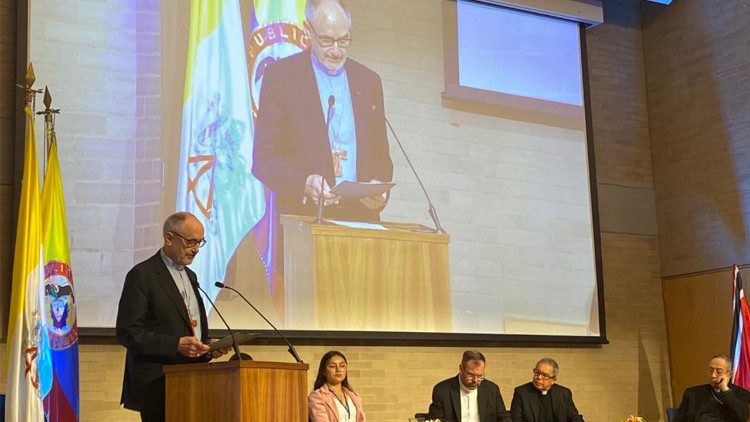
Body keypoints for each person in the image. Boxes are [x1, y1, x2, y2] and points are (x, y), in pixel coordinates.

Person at [253, 0, 393, 222]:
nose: (337, 51)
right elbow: (264, 159)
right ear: (308, 30)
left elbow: (382, 160)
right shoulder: (281, 78)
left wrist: (379, 190)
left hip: (362, 221)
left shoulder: (369, 82)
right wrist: (304, 183)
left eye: (344, 40)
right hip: (304, 220)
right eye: (327, 40)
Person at [116, 212, 230, 421]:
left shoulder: (191, 276)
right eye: (190, 242)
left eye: (199, 242)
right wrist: (175, 344)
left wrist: (207, 347)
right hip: (158, 384)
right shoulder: (143, 275)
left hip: (194, 382)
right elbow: (128, 333)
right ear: (169, 238)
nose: (196, 249)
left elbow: (187, 325)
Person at [427, 350, 512, 422]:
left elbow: (503, 418)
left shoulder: (492, 390)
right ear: (461, 368)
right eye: (470, 375)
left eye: (480, 376)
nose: (475, 380)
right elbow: (436, 419)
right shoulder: (442, 390)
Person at [673, 354, 750, 422]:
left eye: (719, 372)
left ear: (729, 374)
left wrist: (725, 390)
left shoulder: (742, 394)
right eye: (711, 371)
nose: (713, 375)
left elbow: (742, 417)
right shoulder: (692, 393)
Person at [509, 358, 584, 422]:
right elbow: (516, 419)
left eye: (545, 375)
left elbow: (574, 417)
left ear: (553, 380)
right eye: (537, 373)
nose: (539, 377)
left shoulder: (564, 393)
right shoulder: (521, 392)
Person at [308, 350, 366, 421]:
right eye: (332, 366)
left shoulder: (353, 395)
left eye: (342, 366)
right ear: (324, 371)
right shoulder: (317, 396)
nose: (338, 369)